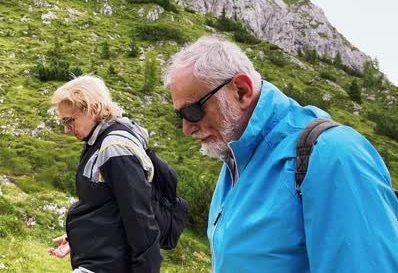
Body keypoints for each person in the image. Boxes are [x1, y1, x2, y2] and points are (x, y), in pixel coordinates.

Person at [162, 35, 398, 272]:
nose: (187, 129)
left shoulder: (332, 155)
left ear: (241, 91)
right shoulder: (235, 161)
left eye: (192, 111)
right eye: (180, 116)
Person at [48, 75, 162, 273]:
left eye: (70, 120)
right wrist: (76, 238)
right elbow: (107, 208)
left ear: (93, 109)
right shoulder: (98, 141)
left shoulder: (115, 148)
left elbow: (139, 219)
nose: (66, 130)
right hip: (99, 261)